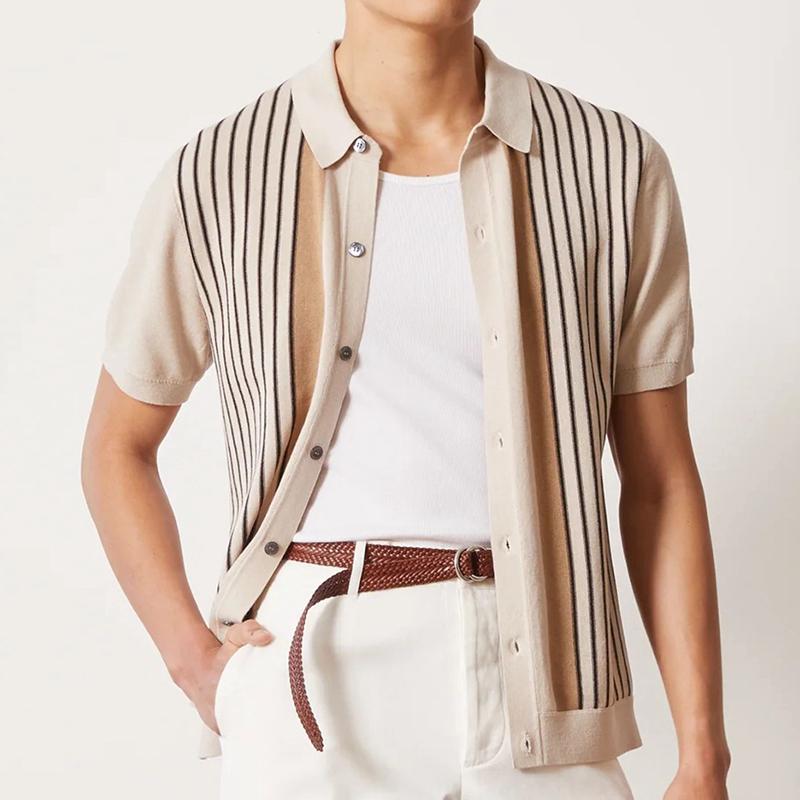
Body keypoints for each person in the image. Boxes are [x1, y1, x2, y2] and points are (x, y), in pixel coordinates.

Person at [81, 1, 730, 797]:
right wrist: (192, 661)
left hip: (548, 673)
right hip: (315, 670)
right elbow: (117, 446)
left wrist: (704, 757)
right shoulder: (222, 173)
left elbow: (660, 481)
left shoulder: (612, 165)